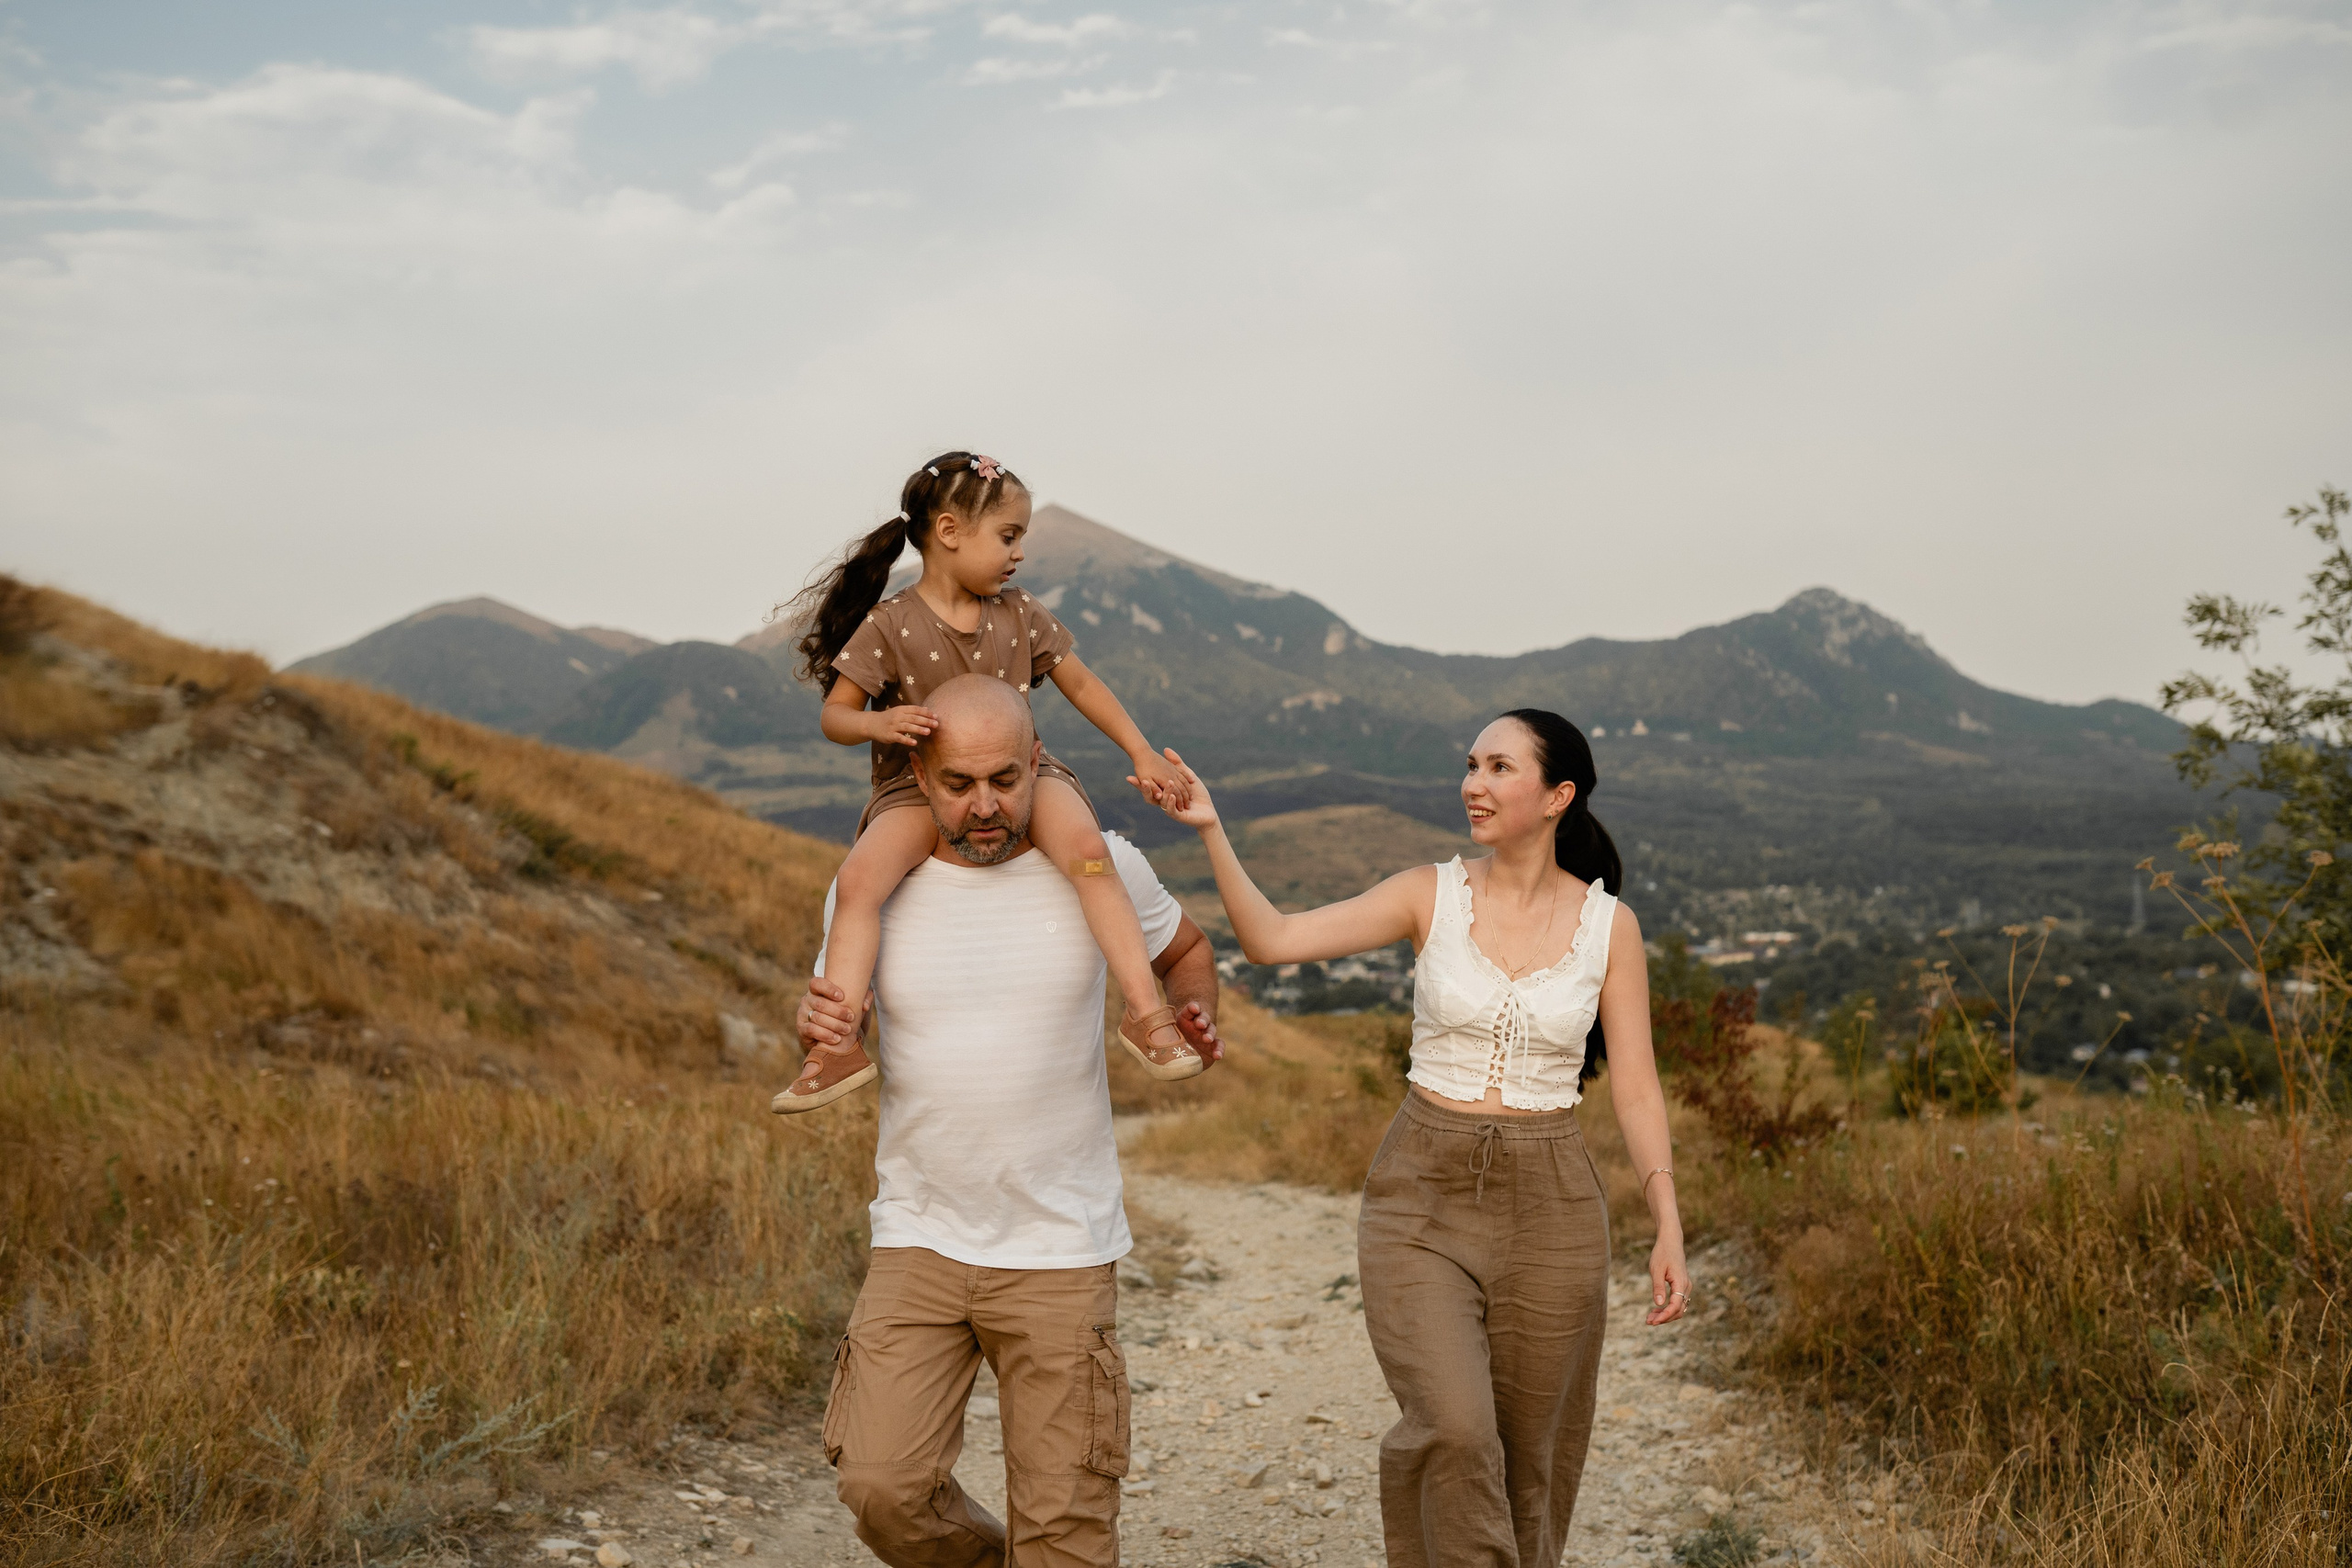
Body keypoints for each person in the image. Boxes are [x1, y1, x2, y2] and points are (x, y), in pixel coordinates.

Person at [1135, 709, 1689, 1568]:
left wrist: (1669, 1220)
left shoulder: (1610, 928)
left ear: (1558, 795)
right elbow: (1273, 940)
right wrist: (1212, 829)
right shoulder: (1428, 892)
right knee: (1458, 1428)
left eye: (1500, 767)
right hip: (1420, 1195)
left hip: (1555, 1206)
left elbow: (1638, 1084)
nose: (1474, 783)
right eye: (1471, 763)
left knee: (1532, 1459)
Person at [790, 674, 1223, 1568]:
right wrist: (822, 1024)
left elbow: (1185, 948)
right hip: (920, 1237)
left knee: (1064, 1528)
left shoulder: (1101, 869)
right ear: (918, 769)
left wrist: (1194, 1011)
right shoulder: (869, 890)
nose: (985, 807)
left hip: (1060, 1249)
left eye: (1004, 781)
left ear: (1036, 765)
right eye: (958, 785)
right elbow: (840, 1022)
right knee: (881, 1486)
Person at [772, 451, 1203, 1113]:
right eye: (1009, 536)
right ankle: (837, 1045)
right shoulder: (890, 624)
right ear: (949, 532)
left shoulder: (1020, 613)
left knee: (1089, 852)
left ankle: (1146, 1012)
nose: (1019, 553)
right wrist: (880, 725)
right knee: (860, 881)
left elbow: (1081, 683)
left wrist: (1142, 751)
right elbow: (836, 715)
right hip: (918, 786)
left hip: (1023, 776)